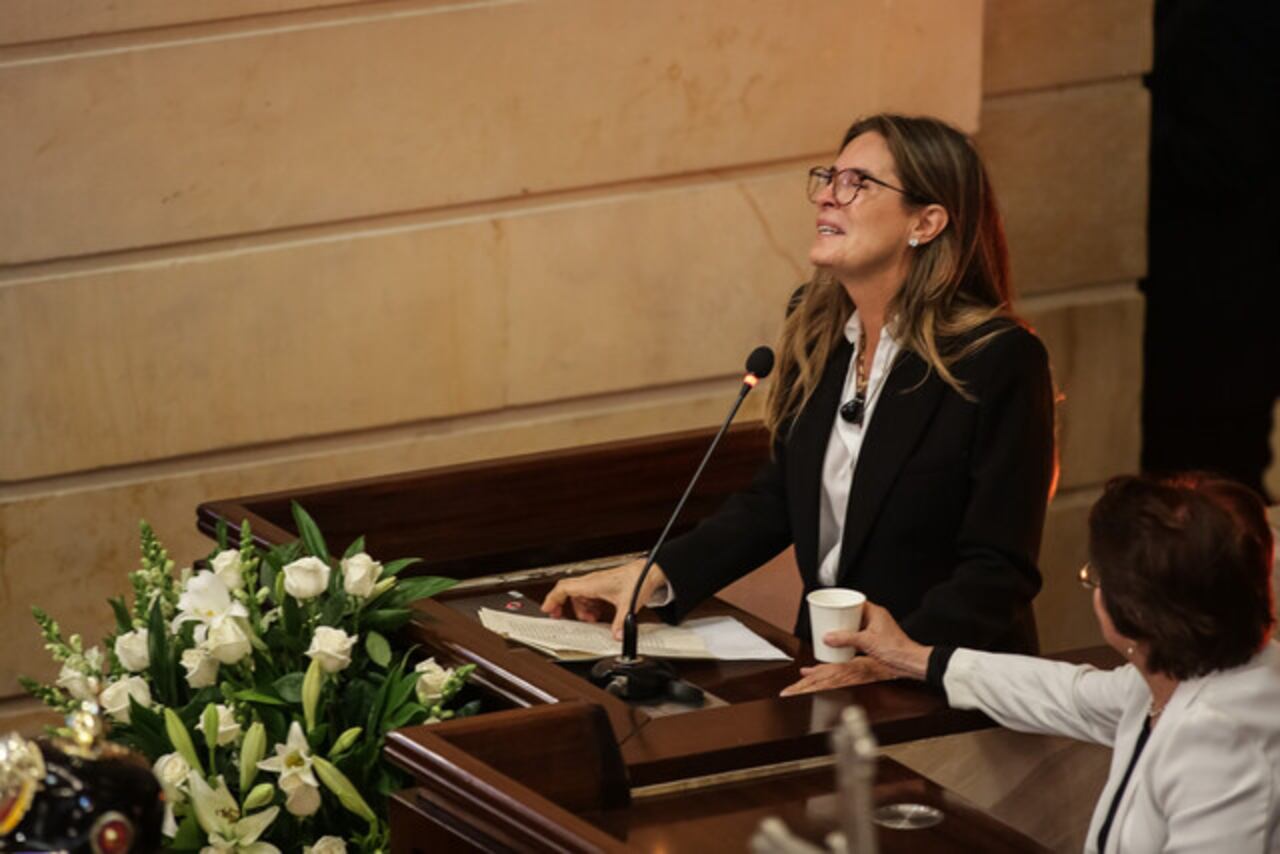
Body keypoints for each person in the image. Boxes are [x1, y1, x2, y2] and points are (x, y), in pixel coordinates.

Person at [542, 113, 1056, 694]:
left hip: (944, 685)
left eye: (856, 184)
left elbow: (999, 569)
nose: (827, 199)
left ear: (927, 220)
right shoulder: (817, 331)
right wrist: (655, 575)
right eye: (828, 178)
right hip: (822, 669)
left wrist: (896, 655)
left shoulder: (997, 359)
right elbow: (779, 498)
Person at [837, 473, 1280, 852]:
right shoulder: (1168, 676)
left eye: (1097, 577)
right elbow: (1064, 693)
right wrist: (913, 657)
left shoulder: (1220, 737)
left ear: (1138, 614)